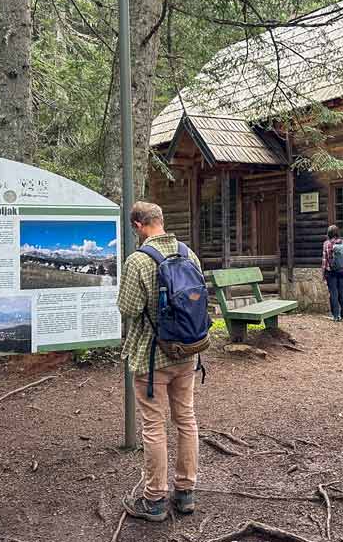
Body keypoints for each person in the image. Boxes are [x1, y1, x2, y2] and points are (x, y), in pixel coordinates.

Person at [117, 201, 201, 522]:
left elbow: (128, 309)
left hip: (152, 358)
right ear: (161, 221)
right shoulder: (188, 254)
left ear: (138, 226)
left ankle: (154, 500)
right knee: (186, 419)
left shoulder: (138, 261)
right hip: (187, 352)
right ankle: (186, 493)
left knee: (154, 426)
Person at [322, 224, 343, 322]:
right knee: (342, 292)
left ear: (328, 233)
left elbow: (324, 260)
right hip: (342, 271)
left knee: (333, 293)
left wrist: (323, 274)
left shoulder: (327, 243)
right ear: (337, 233)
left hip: (331, 272)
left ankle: (336, 315)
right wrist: (342, 265)